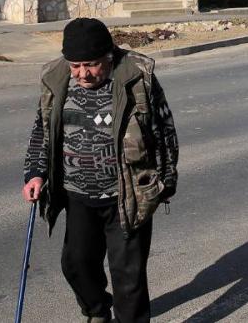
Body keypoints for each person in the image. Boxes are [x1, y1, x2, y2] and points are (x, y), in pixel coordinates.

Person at [22, 18, 178, 323]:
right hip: (78, 195)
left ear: (108, 56)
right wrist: (35, 174)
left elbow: (164, 131)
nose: (83, 73)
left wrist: (165, 184)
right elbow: (43, 130)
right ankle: (96, 311)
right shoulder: (56, 80)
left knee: (128, 278)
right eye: (76, 66)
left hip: (127, 194)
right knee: (76, 264)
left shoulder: (136, 78)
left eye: (91, 65)